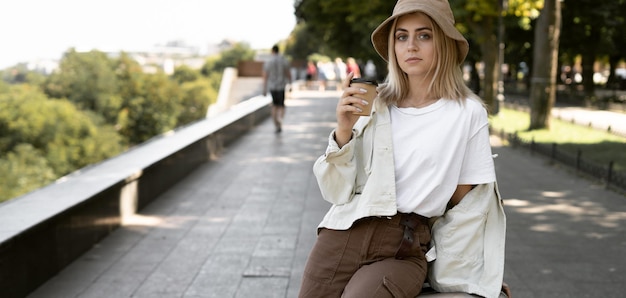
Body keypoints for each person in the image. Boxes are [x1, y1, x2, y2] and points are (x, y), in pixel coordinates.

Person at [298, 0, 509, 297]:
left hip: (404, 246)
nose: (411, 46)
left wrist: (476, 274)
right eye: (402, 36)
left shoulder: (467, 113)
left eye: (424, 35)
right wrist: (344, 129)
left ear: (444, 42)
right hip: (342, 234)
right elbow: (336, 191)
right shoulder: (376, 104)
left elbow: (466, 206)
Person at [263, 44, 292, 133]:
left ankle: (276, 124)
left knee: (274, 106)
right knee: (281, 105)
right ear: (278, 50)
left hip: (272, 87)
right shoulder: (283, 60)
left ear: (272, 51)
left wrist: (264, 88)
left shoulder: (268, 61)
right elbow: (288, 73)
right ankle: (280, 120)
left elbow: (265, 76)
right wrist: (290, 84)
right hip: (281, 86)